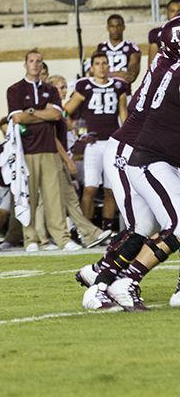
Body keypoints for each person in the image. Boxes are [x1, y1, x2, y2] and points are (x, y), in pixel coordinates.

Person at [78, 18, 177, 311]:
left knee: (155, 223)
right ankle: (99, 284)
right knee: (143, 224)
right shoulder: (171, 70)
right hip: (131, 148)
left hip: (144, 146)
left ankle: (100, 273)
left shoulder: (164, 62)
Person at [6, 50, 77, 251]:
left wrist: (31, 112)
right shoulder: (15, 90)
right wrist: (41, 113)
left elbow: (56, 115)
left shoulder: (51, 90)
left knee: (54, 197)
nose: (35, 65)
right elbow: (17, 118)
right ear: (25, 64)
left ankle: (63, 238)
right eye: (31, 61)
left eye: (39, 61)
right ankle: (31, 239)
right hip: (26, 151)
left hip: (49, 149)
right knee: (29, 197)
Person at [63, 51, 128, 236]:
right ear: (91, 68)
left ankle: (107, 230)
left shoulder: (118, 86)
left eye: (104, 63)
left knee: (110, 189)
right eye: (97, 63)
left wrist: (127, 138)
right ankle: (87, 230)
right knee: (90, 188)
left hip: (112, 143)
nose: (101, 66)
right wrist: (74, 131)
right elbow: (66, 110)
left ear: (109, 66)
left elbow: (123, 114)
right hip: (93, 145)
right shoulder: (84, 86)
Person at [48, 74, 105, 248]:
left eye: (66, 86)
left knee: (69, 197)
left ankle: (85, 233)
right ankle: (47, 236)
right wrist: (68, 160)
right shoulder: (53, 110)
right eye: (61, 87)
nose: (66, 91)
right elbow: (52, 138)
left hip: (66, 158)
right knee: (53, 199)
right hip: (56, 158)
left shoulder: (64, 111)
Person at [95, 14, 142, 85]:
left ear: (123, 27)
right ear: (107, 28)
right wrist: (120, 74)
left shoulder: (132, 48)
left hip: (124, 93)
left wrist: (105, 74)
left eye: (118, 26)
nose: (115, 29)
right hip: (104, 92)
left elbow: (131, 76)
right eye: (112, 26)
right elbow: (92, 73)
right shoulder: (101, 48)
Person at [147, 0, 180, 65]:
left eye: (179, 11)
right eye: (173, 11)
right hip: (168, 70)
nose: (176, 14)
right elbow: (152, 63)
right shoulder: (156, 33)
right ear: (167, 12)